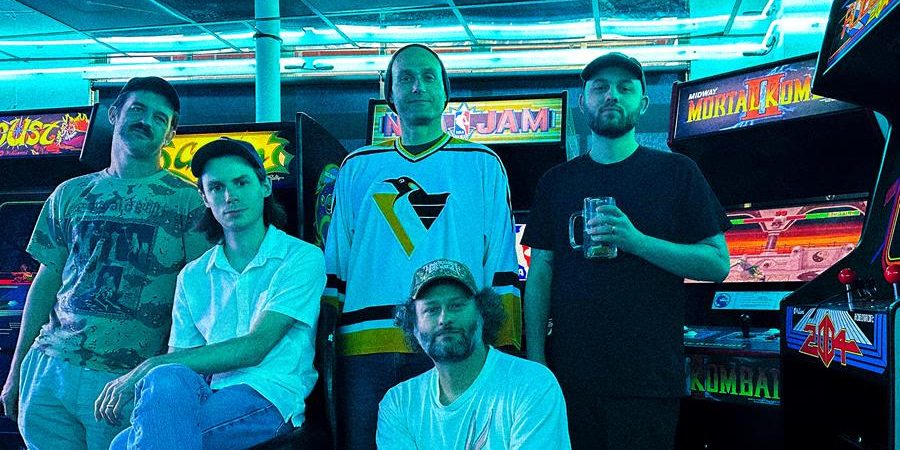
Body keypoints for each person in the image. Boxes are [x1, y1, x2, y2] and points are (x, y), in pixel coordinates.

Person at [521, 52, 731, 450]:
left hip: (647, 378)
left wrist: (636, 241)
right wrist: (536, 359)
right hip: (570, 376)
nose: (611, 95)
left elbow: (717, 264)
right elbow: (541, 271)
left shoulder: (677, 173)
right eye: (600, 88)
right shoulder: (556, 181)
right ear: (583, 102)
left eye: (625, 88)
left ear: (643, 103)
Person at [324, 43, 522, 449]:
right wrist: (320, 349)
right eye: (406, 78)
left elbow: (501, 263)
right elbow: (335, 265)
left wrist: (505, 351)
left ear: (446, 91)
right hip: (364, 346)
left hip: (453, 341)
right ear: (389, 93)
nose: (418, 87)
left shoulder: (482, 162)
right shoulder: (357, 167)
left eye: (429, 77)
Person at [0, 76, 211, 450]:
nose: (146, 121)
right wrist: (16, 370)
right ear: (114, 114)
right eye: (138, 109)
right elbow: (46, 283)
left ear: (170, 134)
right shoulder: (69, 193)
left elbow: (203, 297)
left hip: (127, 380)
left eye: (160, 118)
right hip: (50, 369)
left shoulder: (189, 201)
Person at [103, 137, 326, 449]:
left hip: (270, 397)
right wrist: (157, 371)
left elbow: (255, 348)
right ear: (205, 197)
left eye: (241, 182)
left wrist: (148, 365)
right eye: (217, 187)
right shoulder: (192, 275)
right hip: (211, 395)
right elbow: (178, 365)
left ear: (264, 186)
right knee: (164, 382)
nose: (230, 196)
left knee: (127, 445)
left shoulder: (300, 257)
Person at [378, 259, 570, 449]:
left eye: (456, 305)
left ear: (482, 314)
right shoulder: (398, 403)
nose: (444, 318)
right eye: (432, 309)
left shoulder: (532, 383)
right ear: (413, 327)